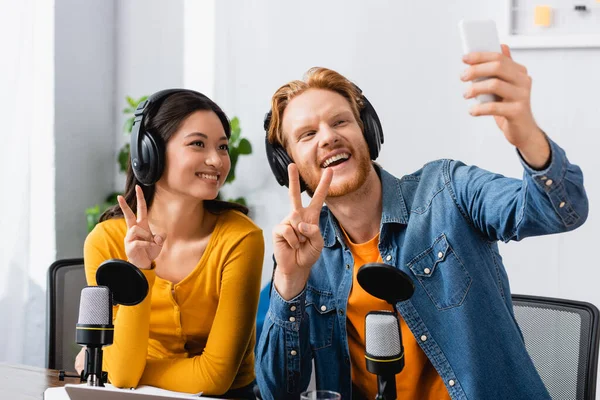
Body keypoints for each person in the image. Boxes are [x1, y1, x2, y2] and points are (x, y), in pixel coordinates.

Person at [256, 46, 588, 400]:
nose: (328, 137)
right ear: (286, 164)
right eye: (307, 135)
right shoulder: (302, 250)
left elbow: (558, 210)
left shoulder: (448, 190)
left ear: (367, 131)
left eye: (340, 121)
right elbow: (278, 392)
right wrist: (290, 280)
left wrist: (526, 135)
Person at [75, 89, 264, 398]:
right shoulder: (106, 242)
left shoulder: (240, 239)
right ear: (149, 153)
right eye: (198, 144)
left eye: (223, 147)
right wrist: (140, 268)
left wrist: (115, 365)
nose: (217, 160)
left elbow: (214, 378)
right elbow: (122, 377)